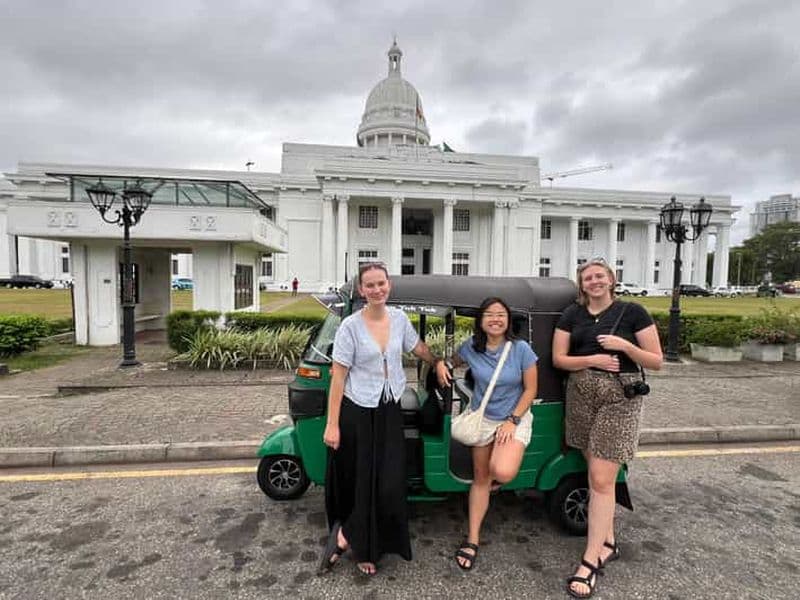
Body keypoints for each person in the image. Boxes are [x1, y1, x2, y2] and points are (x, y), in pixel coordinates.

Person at [319, 262, 449, 576]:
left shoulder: (399, 319)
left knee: (389, 482)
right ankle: (363, 547)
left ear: (388, 285)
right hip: (357, 411)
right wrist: (332, 423)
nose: (377, 290)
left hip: (388, 408)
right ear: (362, 290)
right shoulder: (350, 326)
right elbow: (338, 378)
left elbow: (416, 347)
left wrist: (438, 361)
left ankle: (347, 535)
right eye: (370, 285)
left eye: (381, 283)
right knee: (364, 482)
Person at [552, 258, 663, 598]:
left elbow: (656, 360)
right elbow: (560, 359)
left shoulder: (633, 313)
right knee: (596, 473)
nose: (594, 282)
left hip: (620, 395)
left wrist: (625, 347)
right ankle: (609, 541)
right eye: (588, 278)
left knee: (600, 478)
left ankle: (589, 562)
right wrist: (593, 359)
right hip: (582, 391)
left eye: (600, 276)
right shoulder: (573, 314)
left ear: (612, 279)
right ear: (582, 285)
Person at [442, 297, 538, 571]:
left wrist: (512, 420)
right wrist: (441, 365)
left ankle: (497, 480)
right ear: (481, 321)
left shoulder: (521, 350)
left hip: (513, 419)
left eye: (501, 315)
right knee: (480, 478)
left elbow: (531, 389)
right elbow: (452, 361)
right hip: (483, 419)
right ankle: (472, 539)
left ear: (507, 320)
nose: (495, 319)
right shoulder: (472, 347)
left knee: (502, 471)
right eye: (489, 315)